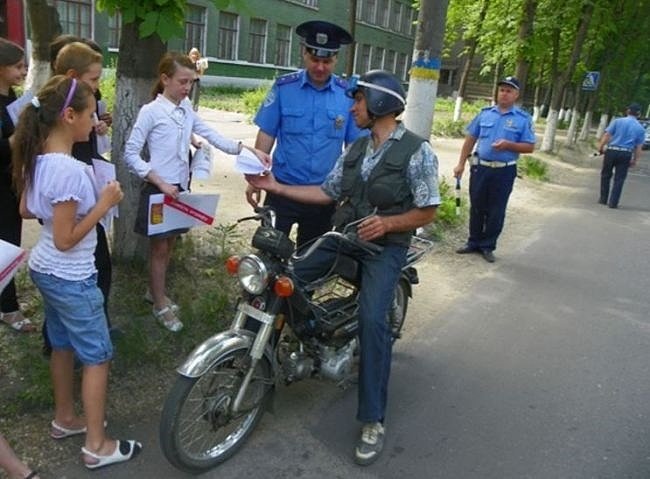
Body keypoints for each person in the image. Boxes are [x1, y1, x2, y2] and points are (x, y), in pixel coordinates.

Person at [247, 70, 439, 466]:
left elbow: (429, 209)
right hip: (344, 240)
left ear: (380, 105)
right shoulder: (356, 150)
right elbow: (326, 191)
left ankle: (373, 420)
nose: (352, 107)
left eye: (359, 100)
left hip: (384, 250)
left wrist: (388, 223)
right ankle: (293, 347)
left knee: (373, 321)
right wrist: (276, 187)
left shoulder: (418, 152)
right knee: (284, 278)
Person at [12, 75, 141, 470]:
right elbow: (68, 239)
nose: (94, 121)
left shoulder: (37, 158)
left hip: (45, 268)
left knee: (63, 344)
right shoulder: (69, 170)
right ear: (69, 116)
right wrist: (103, 205)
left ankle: (66, 418)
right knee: (97, 356)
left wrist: (62, 211)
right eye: (89, 114)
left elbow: (25, 210)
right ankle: (96, 446)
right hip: (71, 274)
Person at [124, 52, 271, 332]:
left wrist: (245, 149)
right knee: (158, 248)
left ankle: (155, 290)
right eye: (182, 81)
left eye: (191, 82)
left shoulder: (186, 107)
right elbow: (130, 153)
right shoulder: (151, 112)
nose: (187, 87)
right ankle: (159, 303)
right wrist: (158, 181)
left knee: (170, 245)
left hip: (180, 189)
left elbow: (210, 134)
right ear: (165, 79)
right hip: (159, 190)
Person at [247, 20, 366, 248]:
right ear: (304, 53)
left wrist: (349, 192)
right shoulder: (284, 88)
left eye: (327, 61)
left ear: (336, 59)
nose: (320, 67)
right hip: (280, 188)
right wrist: (255, 176)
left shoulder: (348, 95)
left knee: (309, 263)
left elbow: (354, 148)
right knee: (267, 252)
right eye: (315, 60)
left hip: (322, 195)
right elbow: (266, 135)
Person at [453, 76, 535, 263]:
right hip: (481, 168)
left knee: (496, 210)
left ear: (516, 95)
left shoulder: (522, 119)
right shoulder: (485, 114)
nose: (504, 94)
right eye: (502, 90)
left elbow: (529, 147)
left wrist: (509, 145)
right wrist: (461, 163)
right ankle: (473, 242)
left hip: (504, 171)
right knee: (477, 206)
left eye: (509, 91)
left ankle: (488, 246)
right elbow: (470, 139)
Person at [0, 38, 36, 332]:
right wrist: (17, 137)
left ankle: (7, 303)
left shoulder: (12, 99)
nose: (24, 71)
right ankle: (9, 308)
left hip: (12, 183)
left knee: (10, 244)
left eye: (25, 66)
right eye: (18, 66)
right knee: (4, 245)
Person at [597, 103, 646, 209]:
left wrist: (601, 147)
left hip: (612, 151)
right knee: (619, 179)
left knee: (606, 175)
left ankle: (603, 199)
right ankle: (613, 203)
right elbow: (638, 147)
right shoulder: (640, 128)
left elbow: (607, 135)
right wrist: (635, 160)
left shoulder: (617, 121)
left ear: (627, 111)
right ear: (639, 114)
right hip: (626, 153)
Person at [188, 47, 206, 111]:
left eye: (196, 54)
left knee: (195, 97)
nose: (194, 55)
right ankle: (187, 109)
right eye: (193, 54)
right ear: (190, 55)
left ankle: (194, 111)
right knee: (187, 97)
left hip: (196, 81)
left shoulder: (200, 63)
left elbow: (201, 74)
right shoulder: (188, 63)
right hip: (188, 81)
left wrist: (201, 68)